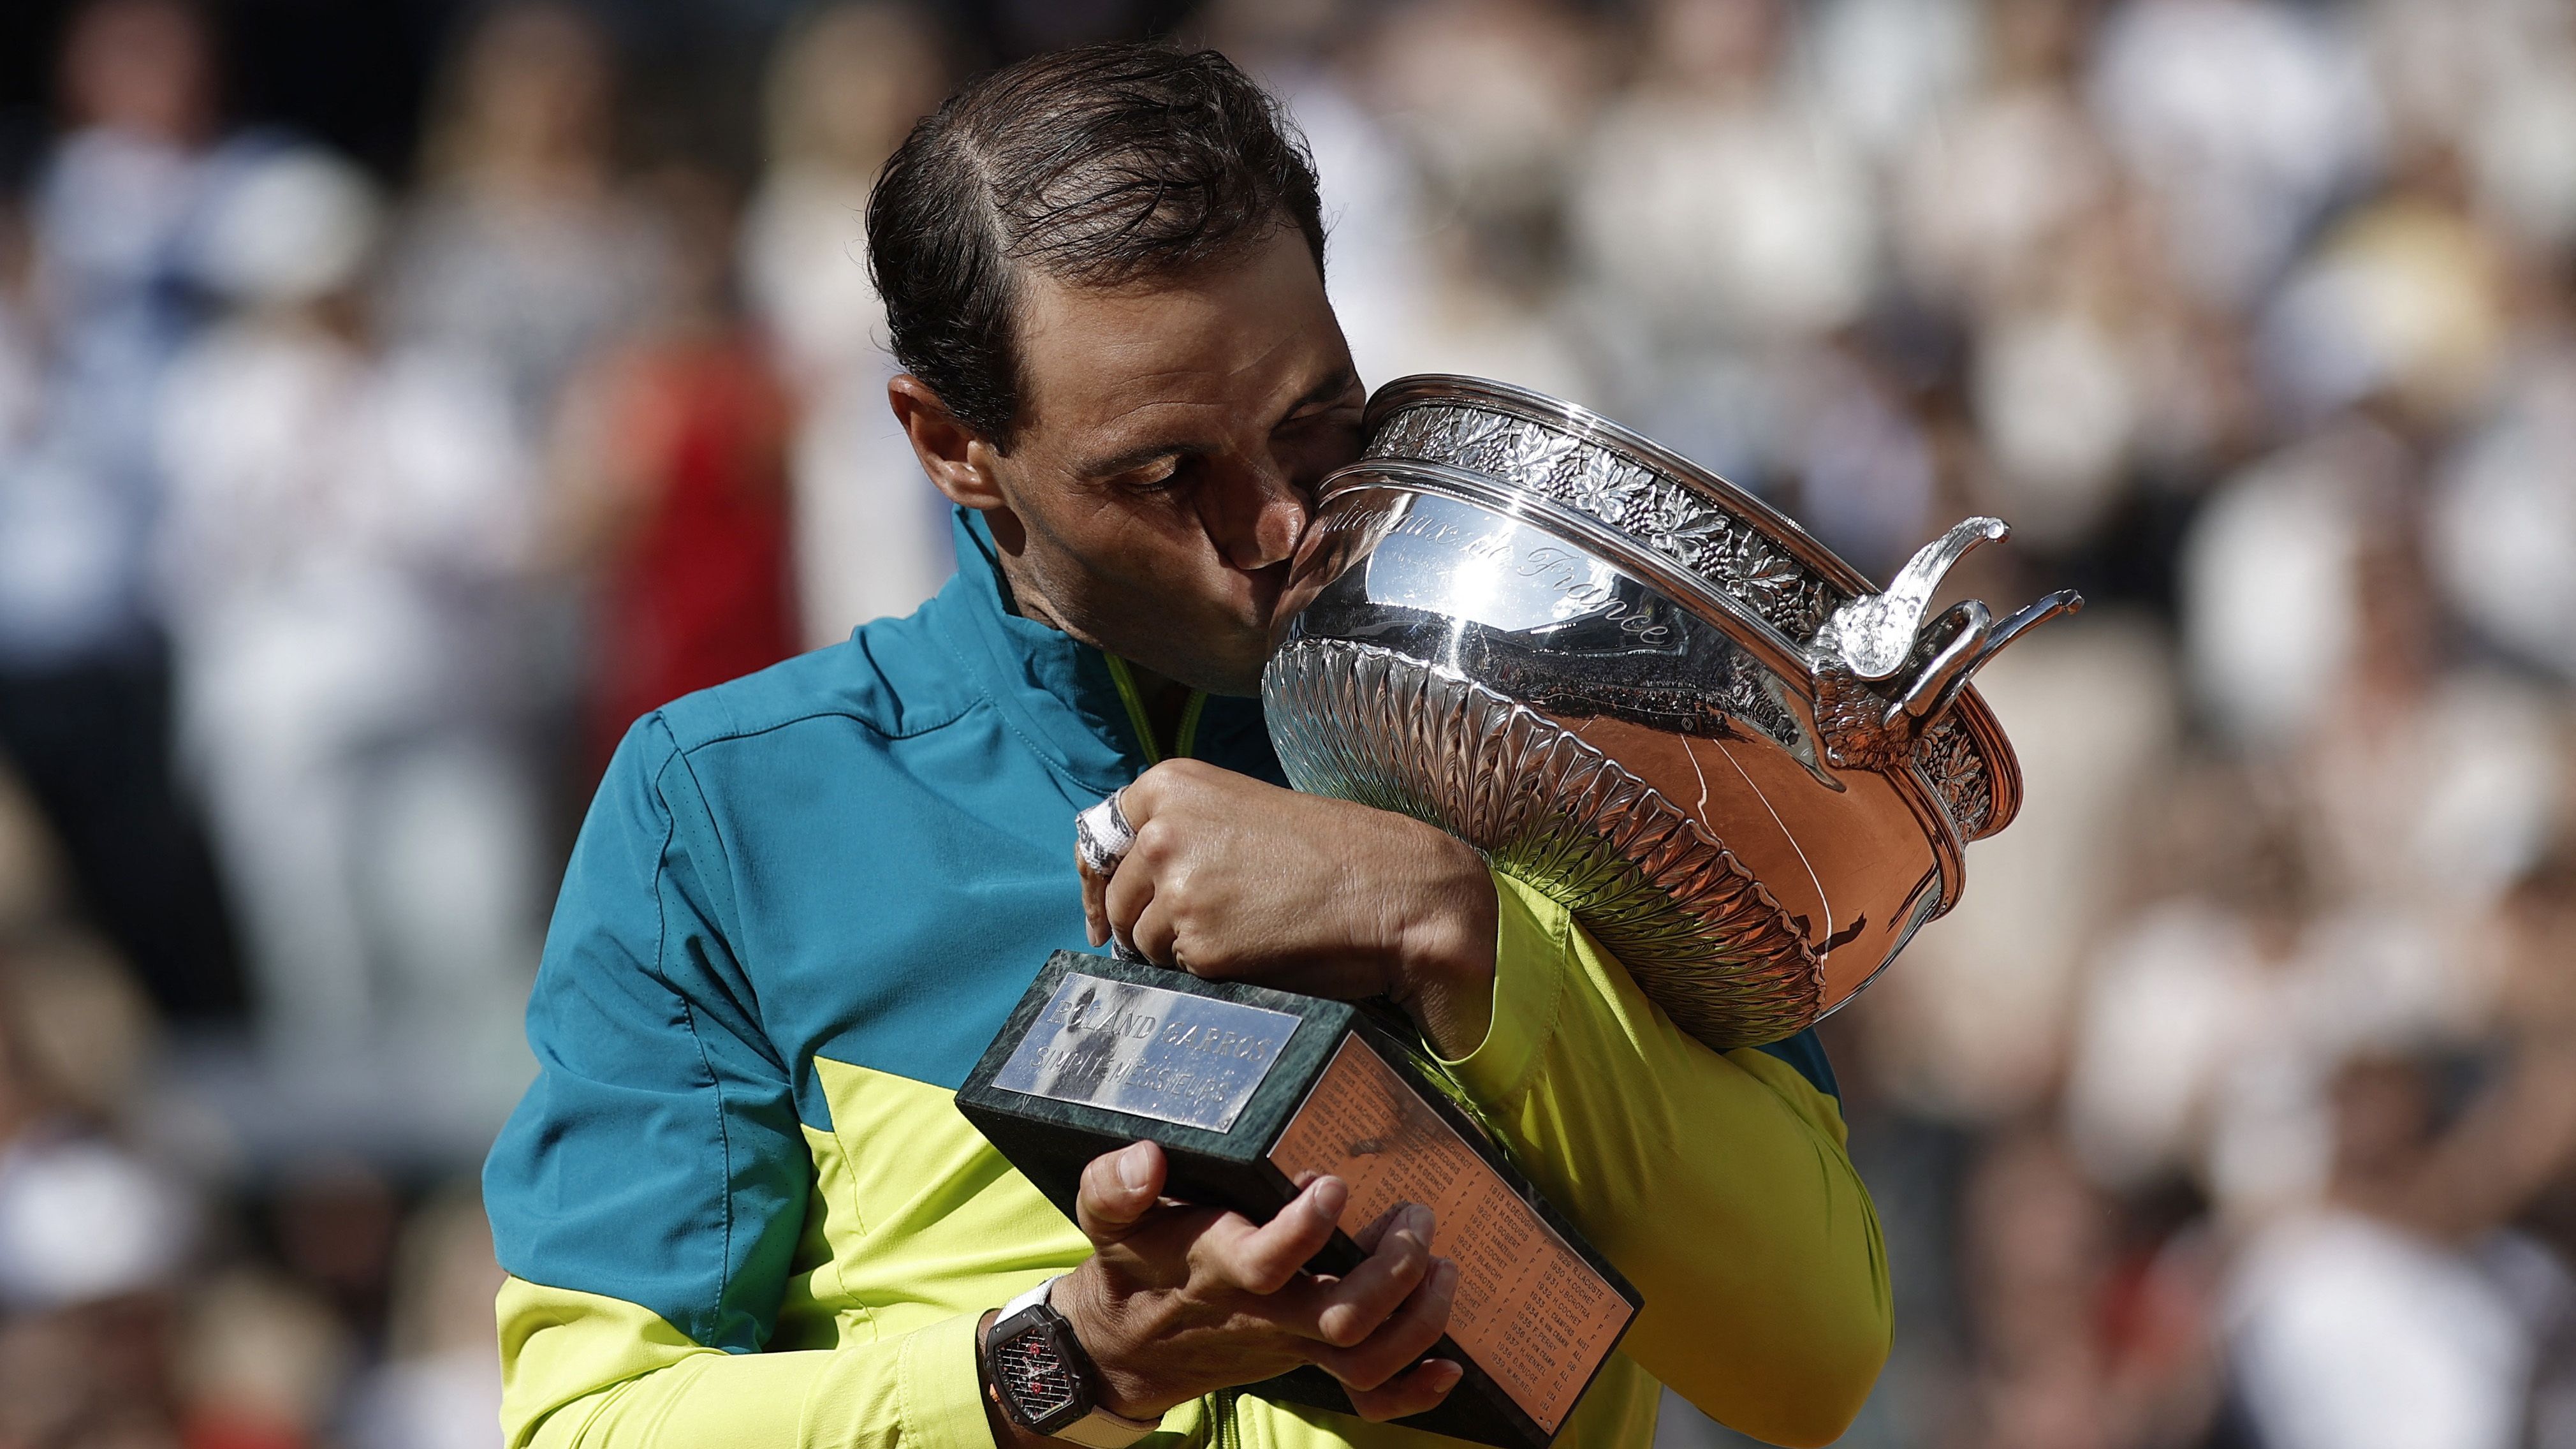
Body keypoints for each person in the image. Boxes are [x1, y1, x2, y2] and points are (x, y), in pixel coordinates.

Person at [483, 43, 1889, 1449]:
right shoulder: (727, 805)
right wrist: (1067, 1362)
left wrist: (1454, 921)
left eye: (1314, 419)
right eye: (1166, 472)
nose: (1276, 525)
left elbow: (1815, 1363)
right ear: (949, 443)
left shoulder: (1573, 734)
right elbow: (588, 1420)